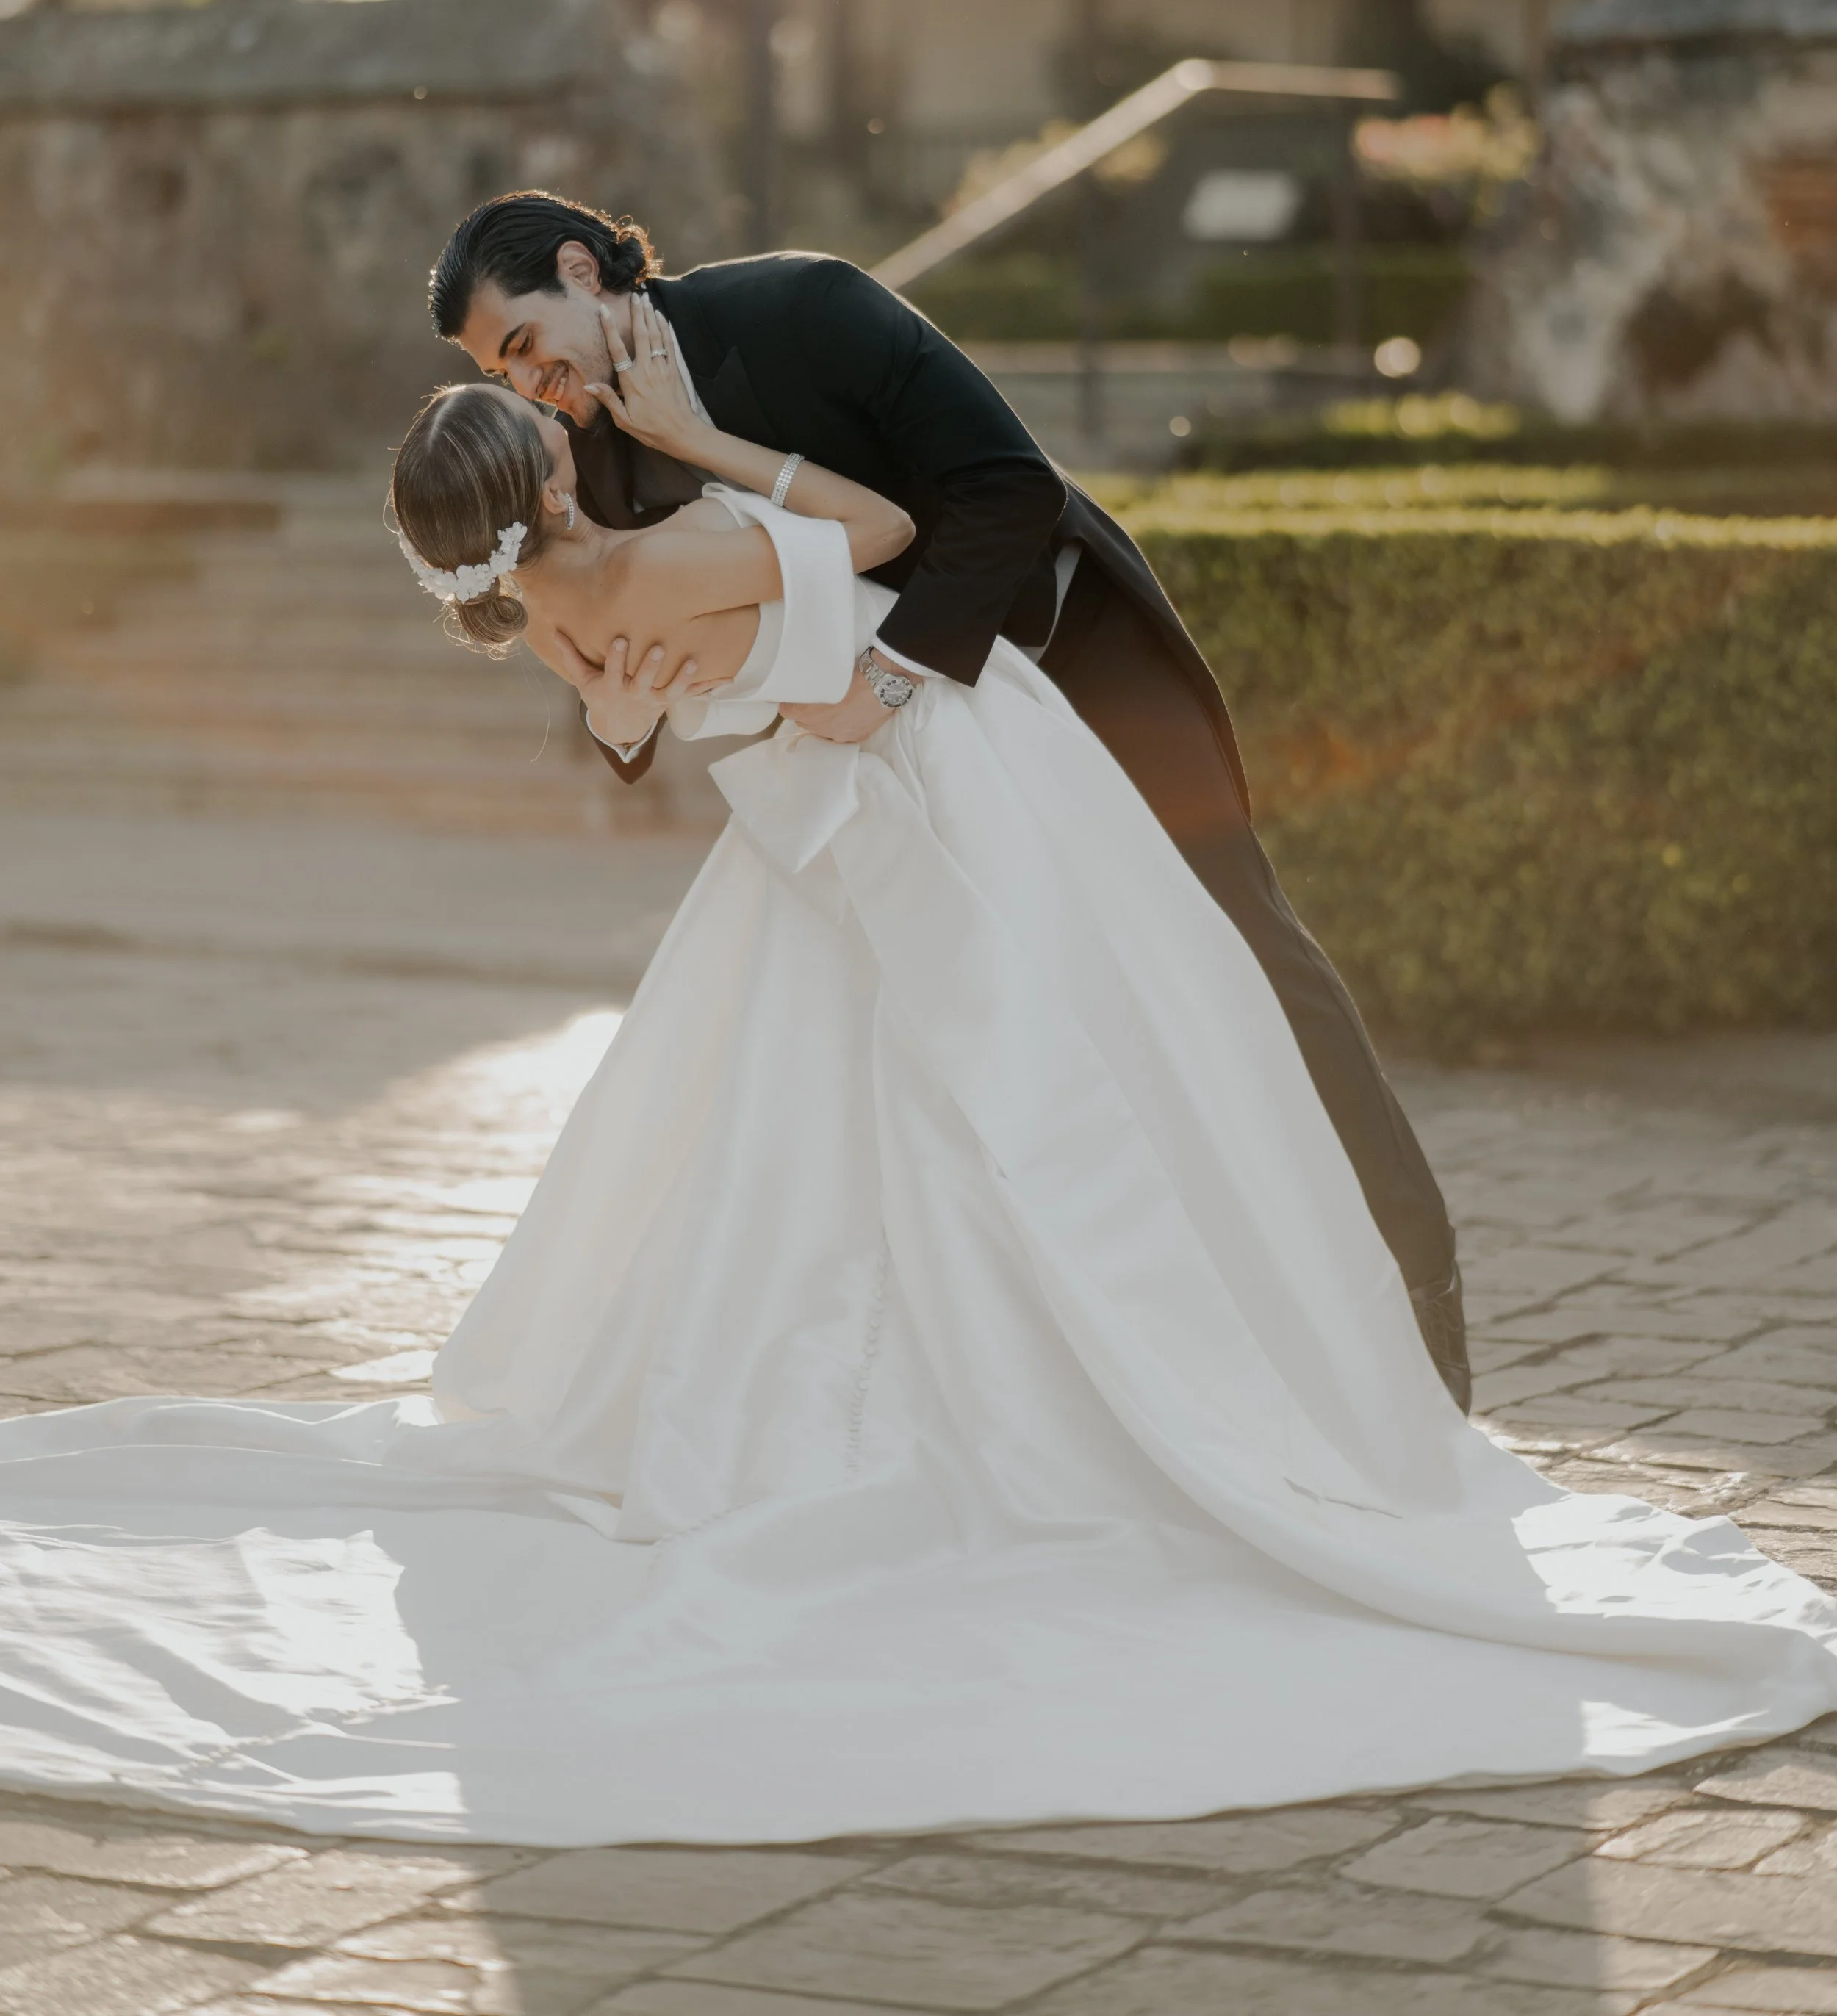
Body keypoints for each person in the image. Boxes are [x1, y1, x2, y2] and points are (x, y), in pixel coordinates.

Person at [0, 352, 1826, 1849]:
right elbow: (882, 529)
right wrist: (709, 449)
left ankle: (896, 1424)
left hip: (810, 858)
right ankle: (1101, 1420)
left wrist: (683, 701)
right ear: (541, 479)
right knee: (1078, 1103)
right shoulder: (667, 550)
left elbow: (650, 726)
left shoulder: (555, 618)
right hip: (955, 798)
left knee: (833, 1167)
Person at [429, 190, 1473, 1407]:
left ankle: (1414, 1281)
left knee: (1238, 944)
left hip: (1070, 653)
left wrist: (887, 673)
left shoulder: (803, 305)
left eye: (521, 343)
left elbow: (1009, 491)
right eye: (498, 370)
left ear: (581, 269)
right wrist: (616, 728)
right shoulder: (584, 462)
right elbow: (626, 661)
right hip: (903, 768)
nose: (527, 383)